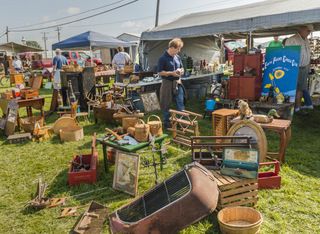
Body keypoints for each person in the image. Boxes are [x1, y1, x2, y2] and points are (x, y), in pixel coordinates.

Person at [158, 38, 186, 129]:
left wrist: (181, 71)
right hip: (167, 83)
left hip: (177, 82)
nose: (179, 51)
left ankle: (181, 123)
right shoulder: (162, 58)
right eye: (178, 49)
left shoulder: (177, 57)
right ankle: (167, 123)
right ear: (172, 47)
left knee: (180, 103)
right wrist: (171, 73)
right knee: (166, 103)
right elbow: (160, 72)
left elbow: (182, 68)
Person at [285, 25, 313, 113]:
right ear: (301, 29)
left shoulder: (306, 40)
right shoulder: (292, 40)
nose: (309, 33)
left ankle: (297, 108)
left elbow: (308, 54)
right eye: (308, 30)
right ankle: (292, 108)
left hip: (304, 68)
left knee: (301, 88)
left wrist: (308, 67)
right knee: (293, 89)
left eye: (310, 31)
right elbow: (287, 55)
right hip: (294, 68)